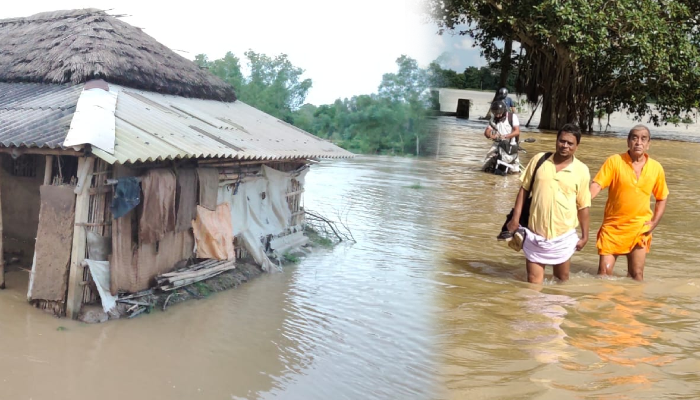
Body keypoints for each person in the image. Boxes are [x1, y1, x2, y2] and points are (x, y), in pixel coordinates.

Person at [505, 123, 591, 284]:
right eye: (562, 141)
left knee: (562, 280)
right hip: (535, 234)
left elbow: (583, 205)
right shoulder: (539, 160)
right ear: (556, 140)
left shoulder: (582, 170)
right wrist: (515, 219)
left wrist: (585, 235)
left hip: (563, 236)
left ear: (577, 146)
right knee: (533, 282)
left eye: (570, 143)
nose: (565, 146)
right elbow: (523, 190)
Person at [590, 124, 669, 281]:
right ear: (628, 142)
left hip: (639, 229)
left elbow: (662, 197)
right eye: (634, 138)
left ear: (648, 144)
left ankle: (631, 305)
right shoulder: (615, 162)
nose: (638, 142)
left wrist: (654, 223)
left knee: (636, 276)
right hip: (613, 228)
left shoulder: (656, 168)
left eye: (643, 139)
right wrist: (581, 202)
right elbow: (597, 184)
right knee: (603, 275)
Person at [482, 100, 521, 174]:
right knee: (486, 164)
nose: (497, 115)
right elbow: (487, 132)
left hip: (511, 145)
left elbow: (517, 131)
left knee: (515, 171)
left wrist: (505, 136)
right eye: (495, 112)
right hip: (498, 145)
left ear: (503, 110)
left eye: (499, 112)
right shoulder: (493, 119)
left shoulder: (512, 117)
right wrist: (492, 136)